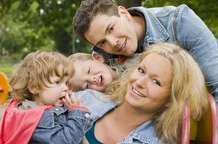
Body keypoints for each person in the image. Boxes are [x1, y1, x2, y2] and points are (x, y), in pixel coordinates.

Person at [73, 0, 218, 104]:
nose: (113, 43)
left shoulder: (179, 22)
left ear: (124, 13)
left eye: (111, 28)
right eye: (102, 42)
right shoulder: (101, 62)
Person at [82, 43, 208, 143]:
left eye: (156, 82)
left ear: (171, 99)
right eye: (141, 70)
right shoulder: (85, 98)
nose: (139, 82)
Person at [0, 50, 93, 144]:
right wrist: (77, 113)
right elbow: (67, 141)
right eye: (57, 82)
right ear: (34, 87)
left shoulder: (46, 107)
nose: (65, 88)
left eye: (66, 82)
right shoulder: (36, 119)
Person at [68, 52, 138, 92]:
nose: (92, 79)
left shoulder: (130, 59)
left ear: (97, 58)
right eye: (86, 85)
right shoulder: (112, 102)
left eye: (88, 71)